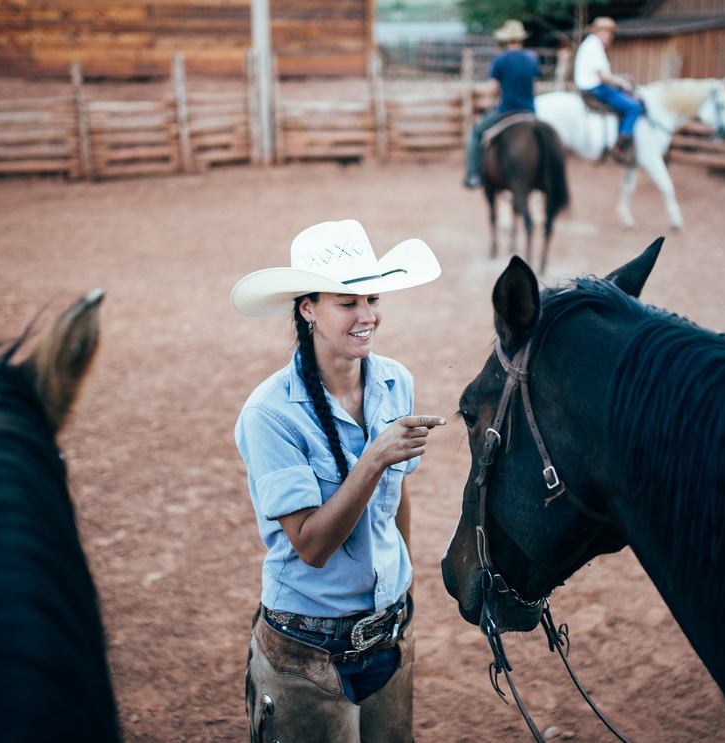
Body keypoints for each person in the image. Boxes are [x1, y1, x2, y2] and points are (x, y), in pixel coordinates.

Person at [231, 219, 447, 742]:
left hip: (389, 634)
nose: (367, 315)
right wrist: (374, 458)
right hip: (306, 651)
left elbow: (398, 496)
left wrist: (402, 583)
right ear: (307, 309)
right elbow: (311, 546)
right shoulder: (270, 413)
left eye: (372, 299)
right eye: (348, 302)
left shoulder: (395, 381)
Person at [463, 18, 541, 189]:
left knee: (476, 133)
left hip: (507, 110)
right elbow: (534, 85)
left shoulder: (500, 60)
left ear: (505, 40)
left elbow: (493, 88)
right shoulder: (532, 59)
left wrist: (482, 95)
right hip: (530, 111)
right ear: (521, 39)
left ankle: (473, 174)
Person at [574, 16, 642, 162]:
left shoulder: (591, 44)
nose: (611, 36)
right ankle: (620, 146)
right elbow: (603, 77)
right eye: (609, 32)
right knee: (634, 107)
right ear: (600, 32)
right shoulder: (595, 46)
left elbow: (603, 74)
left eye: (611, 33)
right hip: (595, 88)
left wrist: (621, 78)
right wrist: (623, 83)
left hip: (591, 86)